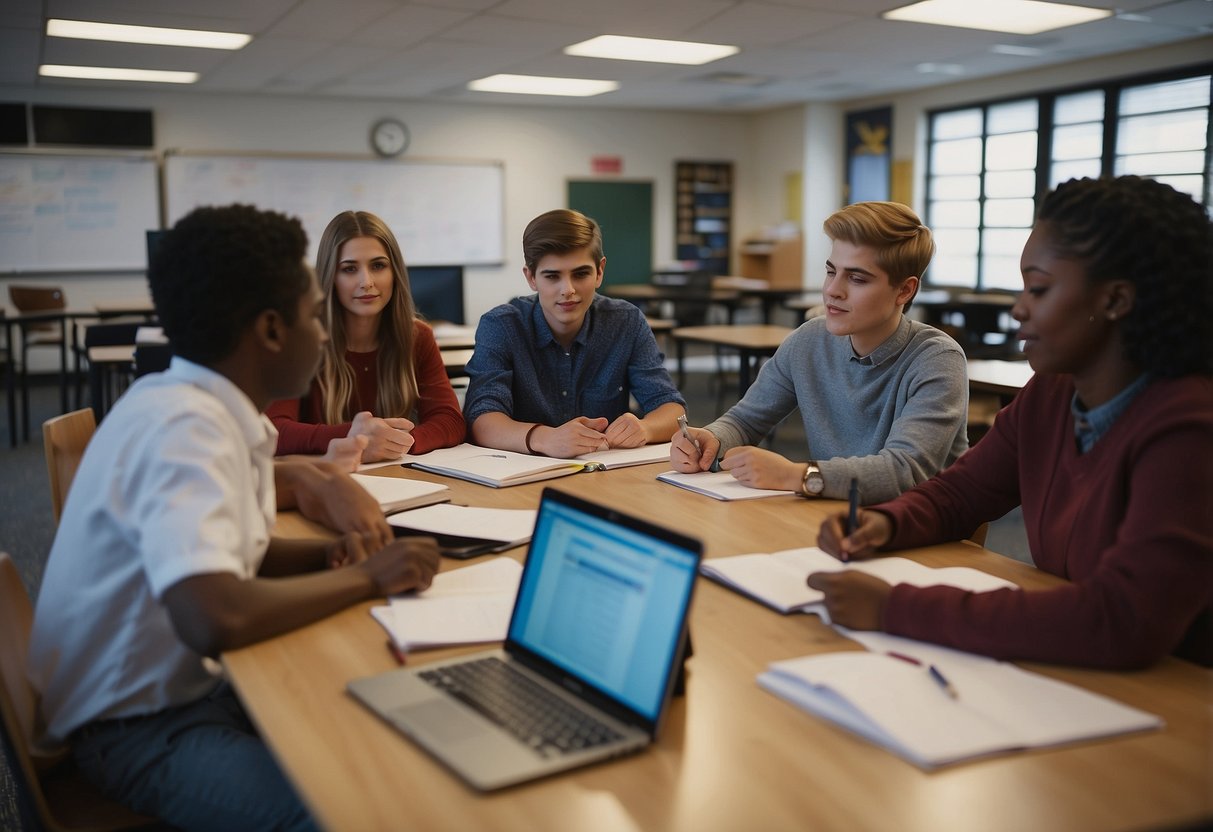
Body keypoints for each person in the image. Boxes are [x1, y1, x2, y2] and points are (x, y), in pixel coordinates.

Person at [27, 204, 442, 830]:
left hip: (184, 690)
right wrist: (369, 578)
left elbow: (223, 552)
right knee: (359, 809)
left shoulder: (190, 400)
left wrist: (325, 556)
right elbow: (213, 615)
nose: (325, 331)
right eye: (312, 314)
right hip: (136, 728)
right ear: (273, 331)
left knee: (378, 722)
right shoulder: (187, 429)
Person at [811, 176, 1213, 670]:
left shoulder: (1189, 428)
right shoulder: (1052, 393)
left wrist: (895, 607)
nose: (1019, 308)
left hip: (1179, 696)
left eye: (1039, 289)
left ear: (1115, 301)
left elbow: (1122, 619)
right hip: (1073, 671)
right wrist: (884, 523)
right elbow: (960, 495)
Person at [671, 201, 968, 503]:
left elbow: (903, 472)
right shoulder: (808, 341)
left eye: (857, 278)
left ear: (904, 290)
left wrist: (796, 476)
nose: (832, 290)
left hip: (924, 537)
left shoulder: (937, 360)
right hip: (836, 518)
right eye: (831, 271)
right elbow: (745, 421)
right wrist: (713, 439)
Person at [464, 208, 686, 458]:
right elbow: (481, 420)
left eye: (581, 274)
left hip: (605, 474)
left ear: (599, 271)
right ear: (531, 278)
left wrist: (645, 427)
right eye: (552, 276)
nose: (568, 289)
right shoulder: (501, 325)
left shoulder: (626, 321)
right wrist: (545, 438)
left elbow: (672, 409)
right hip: (524, 474)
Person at [267, 210, 465, 463]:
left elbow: (450, 421)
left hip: (396, 475)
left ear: (395, 273)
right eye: (349, 269)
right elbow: (274, 431)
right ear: (330, 277)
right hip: (327, 479)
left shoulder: (417, 336)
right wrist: (356, 437)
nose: (367, 281)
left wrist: (393, 442)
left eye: (378, 266)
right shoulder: (300, 340)